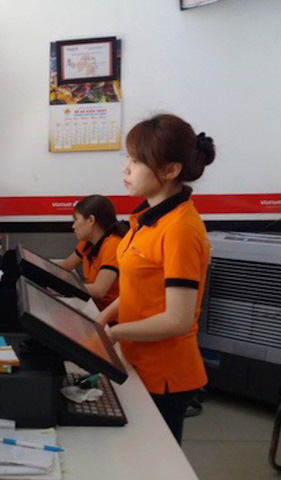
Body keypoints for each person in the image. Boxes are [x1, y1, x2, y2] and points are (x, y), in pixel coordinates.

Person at [96, 113, 215, 444]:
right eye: (128, 158)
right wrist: (102, 319)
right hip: (138, 359)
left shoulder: (179, 230)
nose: (126, 169)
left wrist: (114, 332)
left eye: (136, 161)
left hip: (164, 373)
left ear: (171, 170)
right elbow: (142, 288)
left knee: (155, 459)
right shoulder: (147, 219)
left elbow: (177, 320)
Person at [57, 195, 128, 311]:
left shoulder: (113, 245)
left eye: (76, 220)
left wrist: (62, 287)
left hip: (113, 315)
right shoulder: (87, 242)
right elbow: (67, 264)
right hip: (95, 307)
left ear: (91, 220)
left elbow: (99, 290)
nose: (73, 226)